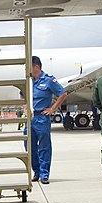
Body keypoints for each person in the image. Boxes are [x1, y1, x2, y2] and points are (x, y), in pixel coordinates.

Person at [29, 56, 66, 185]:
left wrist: (53, 108)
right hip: (30, 118)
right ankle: (36, 171)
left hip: (42, 117)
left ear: (36, 67)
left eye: (29, 67)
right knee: (29, 146)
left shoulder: (49, 80)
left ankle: (44, 174)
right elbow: (22, 94)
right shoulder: (29, 81)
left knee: (44, 147)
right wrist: (24, 107)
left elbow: (62, 93)